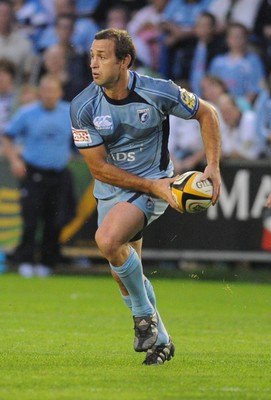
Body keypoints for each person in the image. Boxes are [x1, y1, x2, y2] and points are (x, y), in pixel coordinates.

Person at [70, 28, 221, 365]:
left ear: (125, 61)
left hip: (156, 182)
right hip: (112, 188)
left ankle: (143, 318)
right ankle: (162, 341)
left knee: (108, 241)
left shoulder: (159, 90)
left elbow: (206, 113)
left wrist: (213, 165)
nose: (93, 64)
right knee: (123, 269)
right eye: (91, 56)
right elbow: (99, 169)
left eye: (102, 56)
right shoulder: (83, 106)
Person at [3, 74, 75, 278]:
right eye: (46, 91)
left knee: (55, 220)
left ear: (59, 93)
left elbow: (84, 136)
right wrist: (15, 160)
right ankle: (25, 260)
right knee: (31, 219)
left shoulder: (69, 111)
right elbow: (8, 137)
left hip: (59, 173)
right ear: (40, 92)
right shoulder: (27, 113)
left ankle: (47, 262)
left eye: (53, 91)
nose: (49, 95)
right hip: (33, 172)